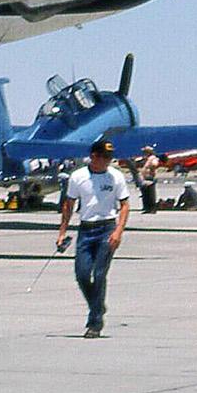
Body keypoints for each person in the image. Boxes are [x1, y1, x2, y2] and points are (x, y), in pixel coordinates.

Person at [54, 139, 130, 338]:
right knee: (81, 274)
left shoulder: (116, 176)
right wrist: (62, 232)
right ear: (93, 156)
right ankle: (97, 305)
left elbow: (124, 205)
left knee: (99, 274)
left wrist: (118, 232)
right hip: (86, 228)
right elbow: (69, 205)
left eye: (109, 157)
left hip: (107, 227)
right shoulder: (78, 177)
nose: (107, 161)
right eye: (104, 157)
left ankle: (95, 322)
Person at [132, 147, 159, 215]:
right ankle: (146, 207)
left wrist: (150, 166)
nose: (144, 153)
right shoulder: (145, 158)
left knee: (151, 194)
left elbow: (155, 164)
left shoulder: (152, 158)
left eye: (146, 152)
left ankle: (152, 208)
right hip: (144, 177)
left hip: (150, 177)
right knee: (145, 193)